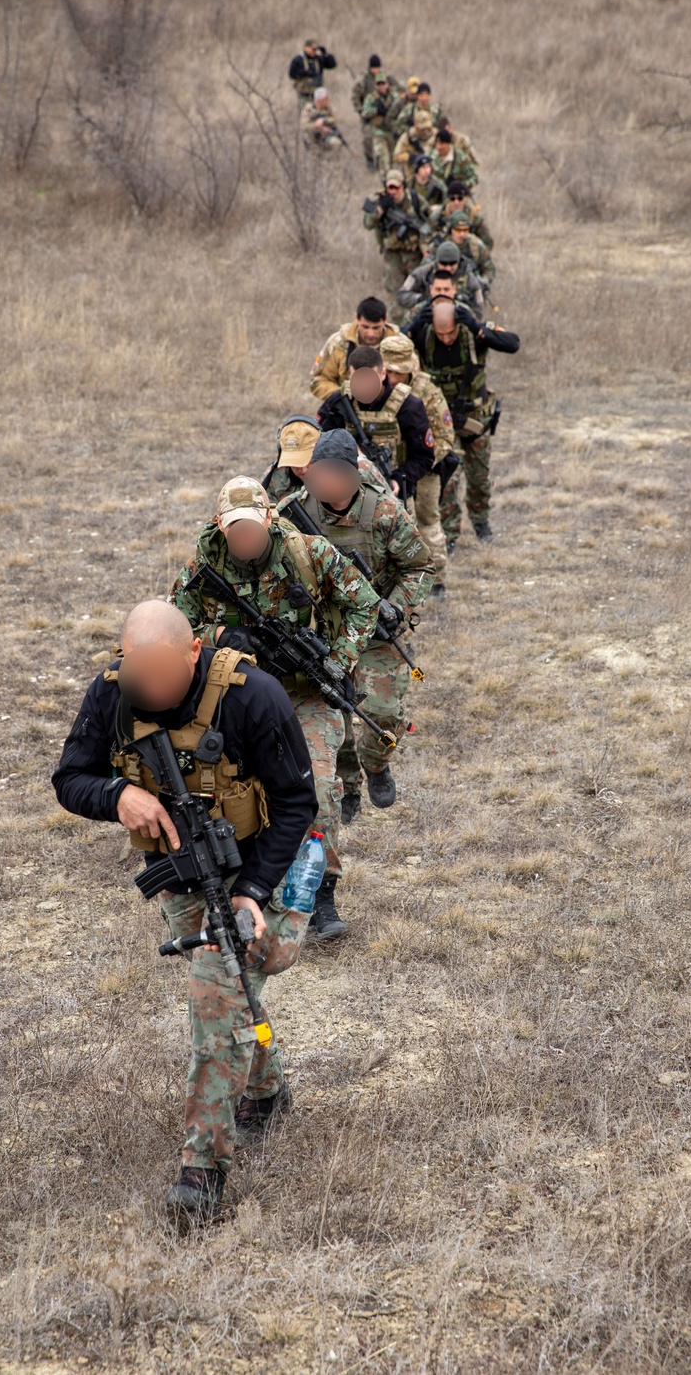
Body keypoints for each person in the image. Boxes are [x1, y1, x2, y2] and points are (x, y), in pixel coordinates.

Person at [52, 600, 318, 1223]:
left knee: (213, 992)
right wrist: (117, 795)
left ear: (194, 652)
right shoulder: (110, 695)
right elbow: (70, 778)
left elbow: (298, 801)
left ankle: (201, 1171)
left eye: (165, 677)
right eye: (140, 677)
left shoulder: (255, 696)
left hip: (267, 864)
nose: (153, 691)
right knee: (226, 992)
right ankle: (267, 1089)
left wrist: (252, 890)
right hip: (184, 875)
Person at [170, 477, 380, 940]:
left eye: (251, 527)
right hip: (234, 695)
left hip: (304, 691)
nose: (244, 538)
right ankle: (237, 886)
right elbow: (171, 630)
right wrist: (220, 638)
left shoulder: (311, 554)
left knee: (317, 788)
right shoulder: (203, 565)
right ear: (220, 527)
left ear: (269, 518)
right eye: (234, 529)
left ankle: (320, 893)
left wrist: (338, 660)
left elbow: (366, 605)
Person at [292, 430, 434, 822]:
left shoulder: (385, 512)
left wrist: (395, 607)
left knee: (383, 712)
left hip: (376, 628)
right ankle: (348, 787)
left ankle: (375, 764)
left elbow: (421, 567)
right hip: (325, 633)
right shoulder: (294, 514)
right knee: (333, 712)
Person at [403, 299, 520, 547]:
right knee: (449, 479)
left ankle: (481, 523)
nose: (446, 339)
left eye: (451, 333)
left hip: (475, 418)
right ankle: (449, 535)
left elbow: (513, 343)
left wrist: (479, 328)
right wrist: (413, 328)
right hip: (442, 420)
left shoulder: (473, 333)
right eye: (441, 333)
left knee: (479, 476)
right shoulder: (423, 336)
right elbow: (392, 345)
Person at [380, 332, 454, 599]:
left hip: (423, 473)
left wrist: (420, 461)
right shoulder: (374, 389)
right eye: (389, 371)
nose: (393, 378)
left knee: (427, 521)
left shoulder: (427, 391)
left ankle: (437, 581)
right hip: (386, 473)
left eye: (399, 372)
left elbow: (445, 437)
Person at [317, 344, 435, 501]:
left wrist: (399, 479)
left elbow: (423, 457)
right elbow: (319, 443)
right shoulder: (339, 401)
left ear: (383, 374)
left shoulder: (408, 406)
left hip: (394, 497)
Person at [263, 414, 390, 504]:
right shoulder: (274, 478)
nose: (303, 470)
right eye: (295, 464)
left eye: (309, 461)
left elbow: (395, 513)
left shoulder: (359, 471)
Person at [309, 296, 399, 402]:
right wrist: (343, 397)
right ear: (357, 318)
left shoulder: (400, 346)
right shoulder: (339, 343)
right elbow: (318, 381)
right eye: (365, 327)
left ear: (385, 320)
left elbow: (414, 383)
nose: (370, 334)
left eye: (376, 328)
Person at [362, 170, 428, 307]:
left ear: (403, 187)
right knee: (394, 294)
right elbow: (368, 223)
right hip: (393, 255)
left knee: (417, 290)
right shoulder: (380, 201)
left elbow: (430, 221)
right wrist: (380, 209)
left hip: (413, 254)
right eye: (389, 188)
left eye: (396, 188)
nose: (393, 191)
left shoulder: (414, 200)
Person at [397, 239, 487, 318]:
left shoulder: (470, 279)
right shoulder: (422, 273)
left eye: (452, 264)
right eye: (444, 264)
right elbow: (402, 294)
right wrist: (421, 299)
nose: (448, 268)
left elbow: (478, 308)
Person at [429, 179, 493, 251]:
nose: (456, 202)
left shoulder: (474, 217)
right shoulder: (439, 215)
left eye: (460, 198)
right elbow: (425, 235)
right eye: (452, 198)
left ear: (465, 199)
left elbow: (488, 243)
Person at [360, 72, 400, 176]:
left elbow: (401, 110)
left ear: (387, 84)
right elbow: (365, 112)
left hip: (392, 132)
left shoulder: (394, 96)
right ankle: (385, 179)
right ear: (375, 85)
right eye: (379, 84)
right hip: (379, 132)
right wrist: (376, 110)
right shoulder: (371, 98)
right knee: (383, 159)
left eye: (383, 83)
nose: (381, 86)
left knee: (393, 160)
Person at [430, 126, 479, 191]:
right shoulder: (431, 156)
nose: (438, 147)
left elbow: (474, 178)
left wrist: (460, 186)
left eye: (441, 144)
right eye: (437, 143)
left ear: (448, 143)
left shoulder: (461, 158)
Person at [392, 110, 436, 180]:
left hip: (434, 174)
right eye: (422, 128)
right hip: (412, 176)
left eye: (427, 127)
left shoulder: (436, 134)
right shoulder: (408, 137)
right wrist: (409, 157)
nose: (425, 130)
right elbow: (396, 156)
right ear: (416, 124)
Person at [288, 38, 336, 104]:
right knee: (306, 111)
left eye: (315, 49)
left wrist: (325, 54)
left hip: (317, 92)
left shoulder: (318, 59)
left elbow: (332, 65)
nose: (314, 51)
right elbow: (292, 74)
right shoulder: (298, 60)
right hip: (304, 92)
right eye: (312, 48)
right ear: (305, 48)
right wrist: (304, 73)